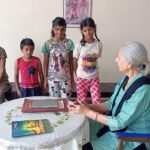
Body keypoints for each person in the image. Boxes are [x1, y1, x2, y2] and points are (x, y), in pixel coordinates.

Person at [69, 41, 150, 150]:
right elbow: (111, 104)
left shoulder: (143, 89)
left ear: (129, 63)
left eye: (119, 57)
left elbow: (119, 122)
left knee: (83, 146)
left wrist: (87, 112)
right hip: (117, 128)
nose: (116, 60)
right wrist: (85, 106)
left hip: (131, 138)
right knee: (80, 133)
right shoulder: (126, 79)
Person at [42, 17, 74, 98]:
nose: (59, 32)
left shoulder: (69, 43)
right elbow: (45, 63)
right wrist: (45, 79)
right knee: (54, 102)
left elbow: (71, 61)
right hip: (52, 80)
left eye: (62, 29)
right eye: (57, 29)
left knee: (66, 102)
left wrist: (72, 78)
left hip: (66, 79)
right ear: (53, 28)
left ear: (65, 29)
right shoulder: (48, 44)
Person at [73, 17, 103, 104]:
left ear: (94, 29)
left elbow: (97, 58)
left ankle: (95, 117)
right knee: (82, 101)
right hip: (81, 78)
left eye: (90, 29)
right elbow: (74, 60)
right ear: (82, 31)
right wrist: (75, 74)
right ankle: (84, 116)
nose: (88, 32)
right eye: (85, 30)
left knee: (97, 101)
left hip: (94, 78)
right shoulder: (79, 45)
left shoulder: (99, 45)